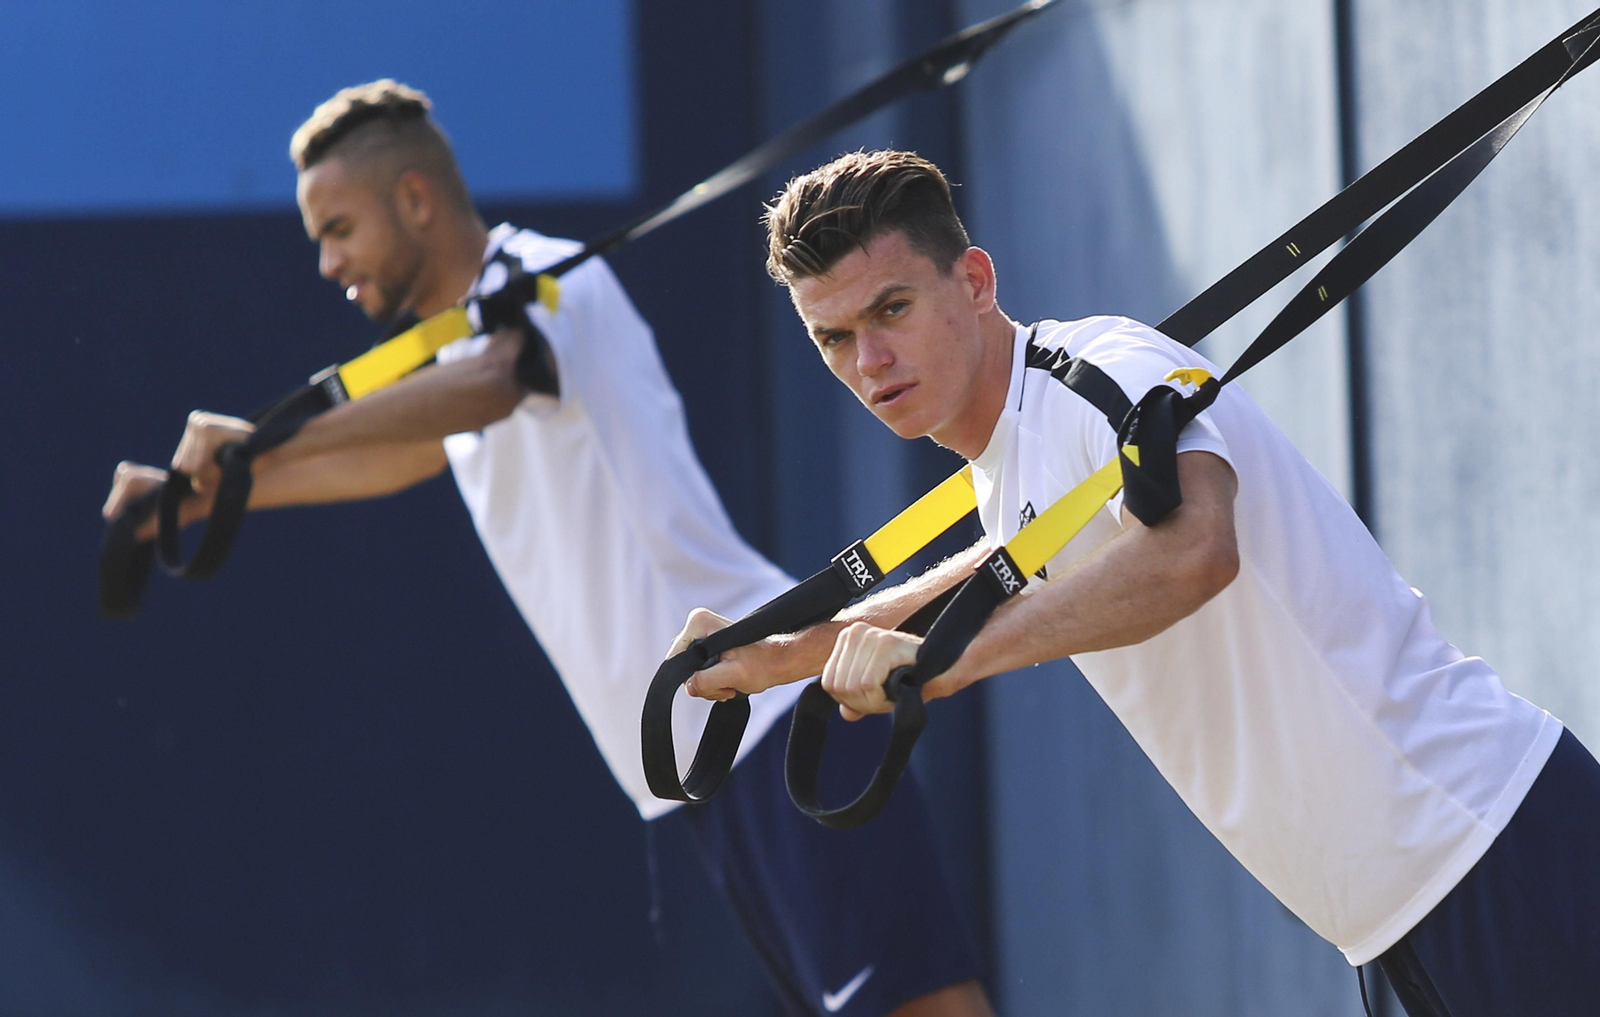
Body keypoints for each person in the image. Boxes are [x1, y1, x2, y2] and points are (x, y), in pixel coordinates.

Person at [100, 86, 991, 1017]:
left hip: (778, 716)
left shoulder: (541, 277)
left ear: (413, 199)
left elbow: (494, 383)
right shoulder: (459, 356)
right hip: (714, 765)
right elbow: (401, 448)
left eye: (338, 229)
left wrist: (255, 445)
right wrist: (202, 498)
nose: (328, 263)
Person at [678, 149, 1600, 1017]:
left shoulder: (1101, 372)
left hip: (1487, 847)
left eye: (891, 310)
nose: (868, 362)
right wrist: (779, 654)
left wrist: (941, 665)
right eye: (832, 336)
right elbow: (982, 575)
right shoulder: (1014, 462)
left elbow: (1194, 548)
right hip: (1393, 914)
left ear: (974, 282)